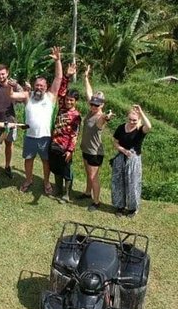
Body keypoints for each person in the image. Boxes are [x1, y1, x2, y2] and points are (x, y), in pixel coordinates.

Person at [8, 46, 63, 194]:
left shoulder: (51, 97)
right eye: (37, 85)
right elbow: (12, 96)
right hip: (30, 136)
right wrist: (9, 86)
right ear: (34, 86)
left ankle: (46, 183)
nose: (39, 87)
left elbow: (58, 78)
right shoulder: (28, 96)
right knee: (28, 159)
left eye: (42, 85)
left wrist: (58, 61)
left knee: (46, 162)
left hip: (45, 137)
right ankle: (28, 179)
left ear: (46, 87)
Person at [80, 65, 113, 211]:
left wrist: (107, 117)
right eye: (92, 103)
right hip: (86, 149)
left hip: (95, 152)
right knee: (88, 173)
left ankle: (96, 201)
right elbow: (89, 92)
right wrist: (86, 77)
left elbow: (103, 120)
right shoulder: (91, 109)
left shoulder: (100, 116)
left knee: (94, 177)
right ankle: (87, 193)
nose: (93, 106)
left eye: (96, 105)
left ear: (102, 105)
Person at [111, 104, 152, 217]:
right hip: (121, 157)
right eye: (130, 119)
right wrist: (123, 150)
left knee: (133, 184)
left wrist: (141, 112)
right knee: (118, 182)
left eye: (134, 120)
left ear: (138, 120)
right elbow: (115, 142)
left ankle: (132, 209)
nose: (131, 122)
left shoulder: (140, 130)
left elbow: (149, 126)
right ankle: (120, 206)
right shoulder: (121, 127)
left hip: (134, 160)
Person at [0, 64, 23, 178]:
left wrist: (17, 86)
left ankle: (7, 166)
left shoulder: (13, 85)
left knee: (8, 144)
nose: (1, 76)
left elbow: (22, 96)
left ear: (7, 73)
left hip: (9, 120)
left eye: (3, 74)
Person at [48, 79, 81, 203]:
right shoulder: (62, 108)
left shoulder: (76, 116)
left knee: (66, 170)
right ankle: (58, 189)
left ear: (75, 101)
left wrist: (70, 150)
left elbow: (75, 134)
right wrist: (67, 76)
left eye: (71, 100)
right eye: (67, 99)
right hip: (55, 143)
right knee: (56, 168)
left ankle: (66, 194)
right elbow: (61, 91)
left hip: (65, 147)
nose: (68, 101)